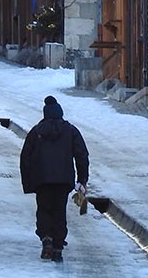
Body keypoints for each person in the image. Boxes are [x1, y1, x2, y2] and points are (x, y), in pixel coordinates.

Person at [20, 96, 89, 263]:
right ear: (60, 113)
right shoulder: (71, 131)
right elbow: (82, 156)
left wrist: (28, 182)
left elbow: (25, 158)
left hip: (41, 180)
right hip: (63, 180)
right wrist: (82, 179)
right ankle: (58, 247)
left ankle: (47, 239)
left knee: (43, 209)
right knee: (59, 212)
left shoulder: (36, 131)